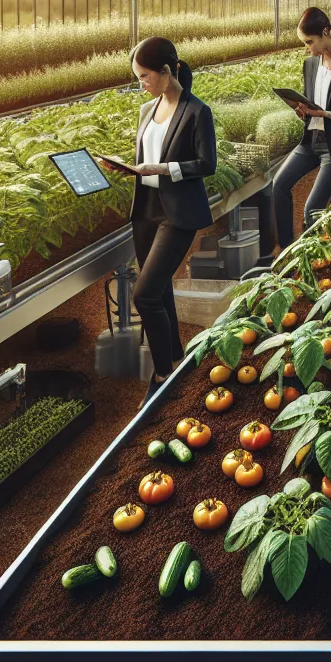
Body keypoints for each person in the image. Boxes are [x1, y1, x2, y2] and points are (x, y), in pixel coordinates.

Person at [99, 36, 217, 401]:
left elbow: (206, 164)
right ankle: (177, 357)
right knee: (160, 288)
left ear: (167, 71)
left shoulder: (197, 111)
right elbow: (146, 156)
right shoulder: (146, 111)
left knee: (145, 294)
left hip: (177, 213)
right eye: (138, 78)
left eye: (145, 76)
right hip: (146, 207)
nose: (142, 84)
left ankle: (164, 374)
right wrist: (131, 169)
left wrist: (164, 169)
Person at [270, 7, 331, 250]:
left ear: (325, 33)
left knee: (312, 208)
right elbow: (312, 106)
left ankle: (312, 258)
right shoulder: (310, 65)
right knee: (278, 185)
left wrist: (322, 113)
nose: (307, 48)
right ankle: (286, 250)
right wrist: (302, 111)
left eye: (309, 42)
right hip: (311, 141)